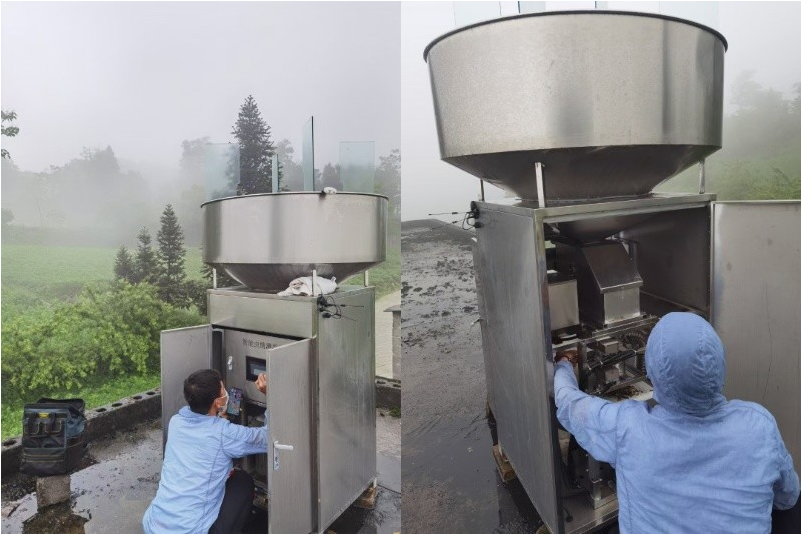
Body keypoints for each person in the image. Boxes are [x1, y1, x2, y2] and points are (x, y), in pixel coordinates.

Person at [554, 312, 799, 533]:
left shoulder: (628, 429)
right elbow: (788, 497)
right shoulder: (759, 425)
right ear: (720, 363)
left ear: (652, 369)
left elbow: (569, 404)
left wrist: (564, 363)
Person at [142, 369, 268, 534]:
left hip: (154, 525)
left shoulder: (176, 422)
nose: (226, 391)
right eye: (223, 389)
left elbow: (205, 434)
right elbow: (267, 438)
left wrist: (217, 418)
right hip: (190, 531)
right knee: (242, 481)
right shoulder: (224, 433)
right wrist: (270, 395)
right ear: (217, 402)